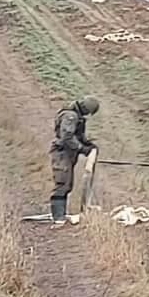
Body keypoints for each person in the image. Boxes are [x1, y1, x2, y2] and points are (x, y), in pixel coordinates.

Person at [48, 96, 100, 225]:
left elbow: (77, 136)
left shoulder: (75, 116)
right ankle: (58, 218)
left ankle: (60, 216)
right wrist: (82, 148)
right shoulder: (71, 116)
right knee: (62, 183)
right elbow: (67, 137)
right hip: (62, 153)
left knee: (67, 184)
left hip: (67, 153)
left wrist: (88, 145)